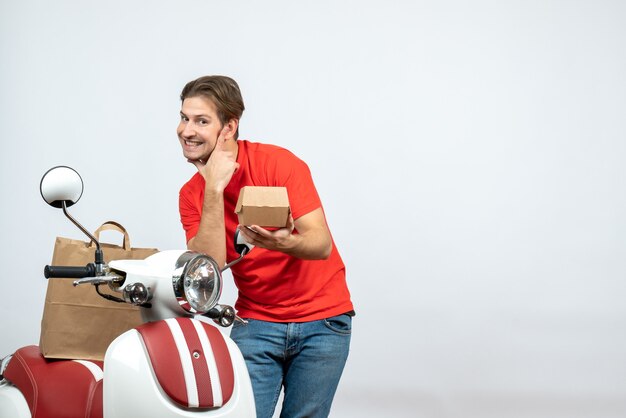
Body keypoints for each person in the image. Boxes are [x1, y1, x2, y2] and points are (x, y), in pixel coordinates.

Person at [177, 75, 354, 418]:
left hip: (324, 321)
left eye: (201, 121)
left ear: (229, 127)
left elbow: (320, 245)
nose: (186, 130)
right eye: (184, 118)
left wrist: (282, 242)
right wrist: (213, 189)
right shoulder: (191, 195)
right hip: (256, 322)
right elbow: (209, 266)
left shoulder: (279, 164)